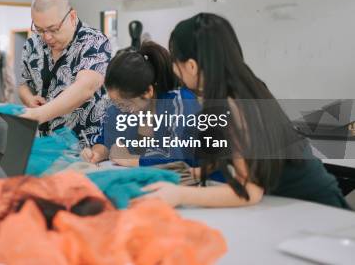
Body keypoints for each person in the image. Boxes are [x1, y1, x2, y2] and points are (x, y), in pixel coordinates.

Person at [138, 13, 349, 208]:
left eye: (176, 63)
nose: (175, 71)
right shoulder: (243, 86)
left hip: (315, 207)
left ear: (191, 66)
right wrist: (200, 172)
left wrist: (179, 194)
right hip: (297, 202)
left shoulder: (233, 104)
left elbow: (248, 191)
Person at [81, 41, 199, 166]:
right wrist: (96, 153)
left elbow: (180, 156)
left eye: (126, 105)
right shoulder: (118, 108)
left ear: (148, 91)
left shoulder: (180, 103)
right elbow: (106, 141)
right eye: (116, 104)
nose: (121, 110)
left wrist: (131, 159)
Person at [19, 0, 111, 146]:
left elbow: (84, 88)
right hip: (47, 144)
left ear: (72, 17)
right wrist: (29, 99)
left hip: (88, 146)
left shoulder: (94, 42)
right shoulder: (32, 44)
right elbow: (24, 84)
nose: (47, 37)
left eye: (54, 29)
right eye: (39, 29)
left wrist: (38, 114)